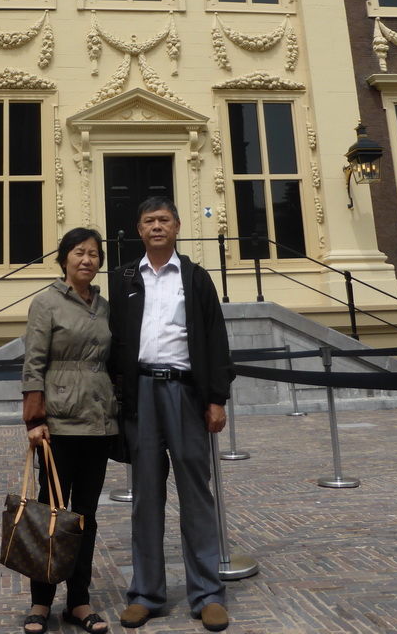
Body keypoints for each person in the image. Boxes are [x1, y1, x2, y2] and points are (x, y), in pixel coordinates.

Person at [109, 197, 235, 631]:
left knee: (196, 494)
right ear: (139, 229)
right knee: (145, 497)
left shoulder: (197, 279)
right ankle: (146, 593)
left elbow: (216, 340)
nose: (156, 226)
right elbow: (115, 343)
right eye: (148, 221)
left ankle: (207, 593)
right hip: (141, 393)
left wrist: (216, 398)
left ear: (178, 226)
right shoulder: (124, 278)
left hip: (184, 393)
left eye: (163, 219)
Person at [21, 227, 117, 634]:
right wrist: (35, 419)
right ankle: (41, 602)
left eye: (94, 254)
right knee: (51, 513)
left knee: (87, 516)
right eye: (79, 252)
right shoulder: (46, 303)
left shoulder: (105, 307)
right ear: (63, 259)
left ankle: (78, 600)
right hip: (58, 423)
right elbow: (33, 361)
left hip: (97, 421)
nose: (87, 260)